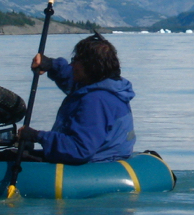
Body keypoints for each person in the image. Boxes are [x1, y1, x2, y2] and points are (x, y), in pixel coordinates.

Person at [17, 33, 135, 164]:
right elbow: (71, 80)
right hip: (104, 154)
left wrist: (37, 136)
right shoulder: (107, 86)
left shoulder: (95, 100)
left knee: (5, 158)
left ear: (90, 66)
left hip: (95, 162)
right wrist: (51, 64)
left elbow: (79, 149)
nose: (72, 65)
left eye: (75, 60)